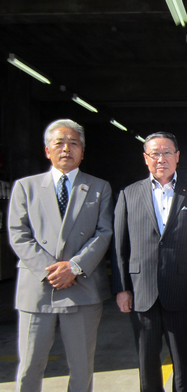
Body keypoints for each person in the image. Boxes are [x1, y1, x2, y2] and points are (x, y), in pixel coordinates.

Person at [8, 119, 113, 392]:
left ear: (82, 151)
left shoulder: (99, 187)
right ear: (47, 150)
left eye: (73, 143)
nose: (66, 149)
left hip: (83, 288)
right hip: (38, 289)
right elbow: (18, 234)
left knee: (81, 369)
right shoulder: (25, 187)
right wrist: (53, 270)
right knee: (30, 366)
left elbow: (104, 233)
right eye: (59, 143)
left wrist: (74, 267)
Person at [111, 132, 187, 392]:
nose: (161, 158)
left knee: (184, 361)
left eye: (167, 152)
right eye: (155, 153)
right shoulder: (128, 194)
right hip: (141, 292)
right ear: (146, 159)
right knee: (147, 361)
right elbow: (119, 246)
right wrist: (121, 288)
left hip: (181, 291)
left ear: (177, 157)